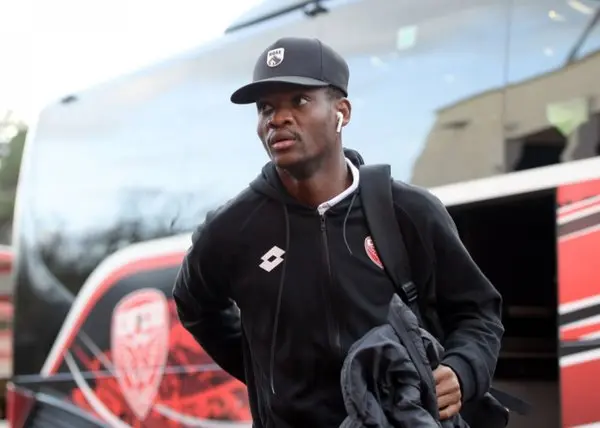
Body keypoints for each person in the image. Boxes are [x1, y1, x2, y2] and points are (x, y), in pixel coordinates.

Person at [172, 36, 504, 428]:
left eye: (299, 101)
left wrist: (462, 370)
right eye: (266, 108)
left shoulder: (408, 211)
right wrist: (265, 376)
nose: (277, 119)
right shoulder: (231, 229)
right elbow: (195, 305)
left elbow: (478, 312)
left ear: (341, 112)